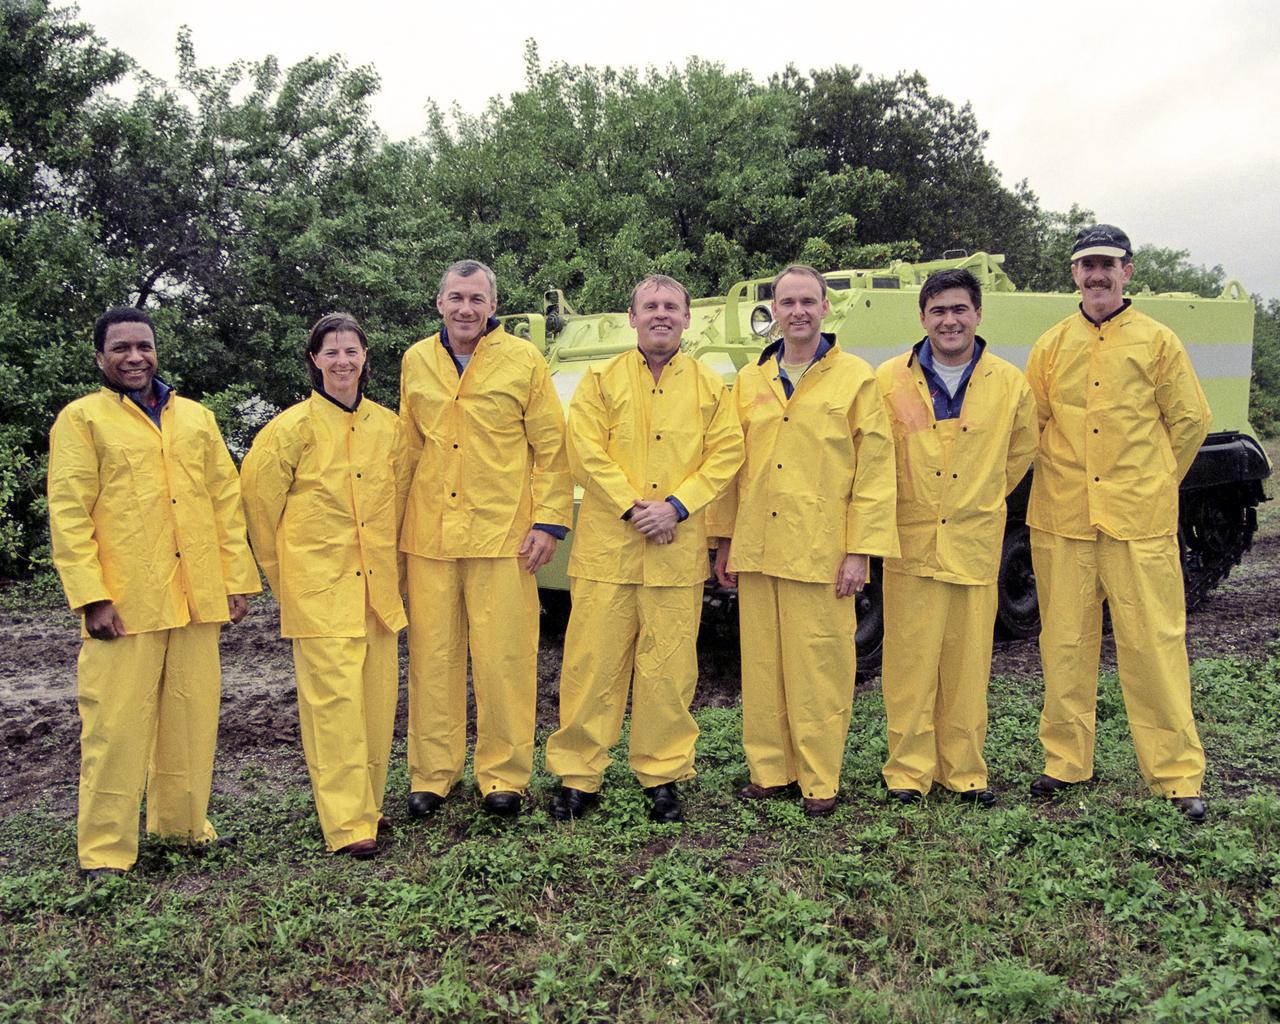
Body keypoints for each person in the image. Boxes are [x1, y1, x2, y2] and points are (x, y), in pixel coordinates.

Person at [47, 307, 259, 876]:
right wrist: (91, 595)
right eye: (121, 348)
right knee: (115, 727)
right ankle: (106, 852)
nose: (134, 357)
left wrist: (235, 579)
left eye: (143, 345)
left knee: (192, 718)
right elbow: (69, 512)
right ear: (100, 358)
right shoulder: (82, 420)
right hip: (126, 602)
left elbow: (224, 501)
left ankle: (184, 828)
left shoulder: (196, 418)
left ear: (156, 350)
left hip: (196, 596)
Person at [1026, 224, 1211, 822]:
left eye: (1108, 264)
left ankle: (1176, 775)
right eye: (1087, 265)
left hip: (1139, 523)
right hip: (1063, 521)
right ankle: (1065, 761)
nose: (1097, 274)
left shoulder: (1158, 341)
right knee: (1063, 644)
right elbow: (1034, 426)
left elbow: (1190, 420)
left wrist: (1155, 482)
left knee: (1154, 645)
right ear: (1073, 274)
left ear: (1128, 271)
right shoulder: (1050, 346)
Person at [544, 274, 744, 823]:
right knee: (591, 667)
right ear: (631, 318)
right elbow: (583, 450)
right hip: (610, 551)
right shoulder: (599, 380)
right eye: (649, 306)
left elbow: (726, 455)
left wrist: (677, 506)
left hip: (675, 552)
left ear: (686, 318)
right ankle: (579, 776)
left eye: (671, 307)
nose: (661, 314)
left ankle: (663, 775)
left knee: (668, 671)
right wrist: (634, 508)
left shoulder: (709, 386)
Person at [711, 264, 898, 816]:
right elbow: (729, 464)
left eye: (807, 302)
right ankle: (771, 772)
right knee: (763, 667)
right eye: (786, 302)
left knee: (820, 668)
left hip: (821, 551)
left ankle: (819, 779)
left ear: (825, 308)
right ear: (773, 310)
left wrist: (860, 549)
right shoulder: (750, 381)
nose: (797, 311)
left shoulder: (855, 378)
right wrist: (722, 541)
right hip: (759, 546)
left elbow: (875, 469)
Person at [399, 259, 572, 819]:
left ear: (493, 306)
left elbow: (552, 448)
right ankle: (432, 774)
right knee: (433, 660)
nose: (466, 308)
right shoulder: (416, 360)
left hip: (504, 537)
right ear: (439, 303)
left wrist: (548, 522)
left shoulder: (524, 360)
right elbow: (406, 450)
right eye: (456, 297)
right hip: (429, 537)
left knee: (505, 661)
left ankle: (504, 775)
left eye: (476, 298)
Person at [241, 313, 412, 859]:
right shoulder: (288, 431)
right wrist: (286, 580)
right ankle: (345, 824)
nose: (342, 361)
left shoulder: (390, 426)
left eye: (351, 351)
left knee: (376, 707)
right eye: (331, 352)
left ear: (366, 357)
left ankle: (370, 806)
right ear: (314, 359)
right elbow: (259, 513)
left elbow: (405, 503)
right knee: (334, 711)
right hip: (319, 591)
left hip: (378, 592)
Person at [876, 269, 1037, 807]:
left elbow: (1018, 454)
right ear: (922, 317)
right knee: (908, 668)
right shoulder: (887, 381)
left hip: (973, 541)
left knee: (969, 665)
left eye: (959, 309)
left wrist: (976, 496)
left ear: (978, 314)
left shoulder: (1008, 383)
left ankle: (965, 773)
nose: (950, 320)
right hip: (911, 543)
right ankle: (907, 774)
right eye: (939, 310)